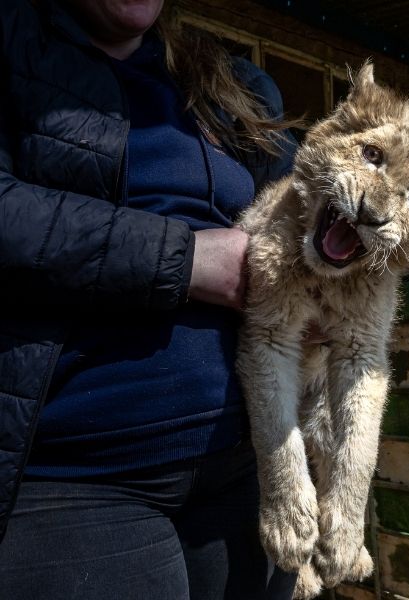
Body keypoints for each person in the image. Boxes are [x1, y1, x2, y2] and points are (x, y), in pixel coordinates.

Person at [0, 0, 300, 598]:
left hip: (251, 462)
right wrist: (187, 260)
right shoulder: (13, 44)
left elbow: (302, 208)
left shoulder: (231, 82)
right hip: (80, 478)